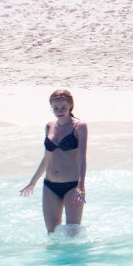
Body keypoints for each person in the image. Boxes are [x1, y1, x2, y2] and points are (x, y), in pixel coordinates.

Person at [20, 89, 89, 234]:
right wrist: (33, 182)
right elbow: (47, 158)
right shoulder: (49, 126)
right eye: (55, 108)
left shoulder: (79, 126)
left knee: (72, 233)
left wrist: (81, 186)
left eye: (63, 107)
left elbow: (82, 157)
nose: (60, 111)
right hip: (50, 186)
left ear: (70, 106)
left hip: (72, 186)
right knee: (51, 234)